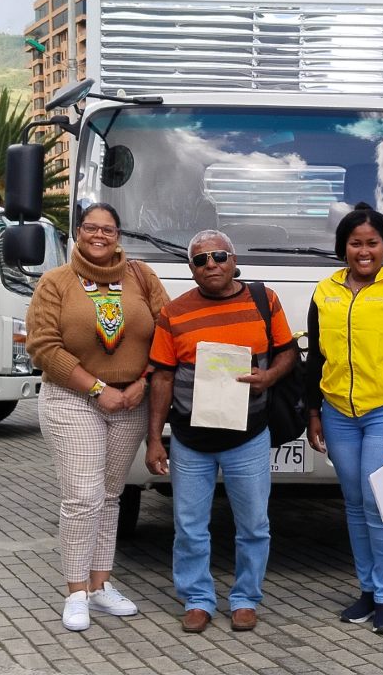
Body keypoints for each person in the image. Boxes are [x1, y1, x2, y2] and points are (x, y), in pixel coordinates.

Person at [26, 203, 169, 632]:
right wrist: (96, 389)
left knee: (109, 498)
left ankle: (100, 585)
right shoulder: (56, 283)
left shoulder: (142, 277)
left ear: (118, 235)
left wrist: (144, 380)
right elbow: (44, 346)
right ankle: (75, 592)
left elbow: (167, 332)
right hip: (73, 399)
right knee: (82, 498)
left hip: (131, 401)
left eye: (108, 229)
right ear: (78, 232)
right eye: (91, 227)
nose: (99, 235)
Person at [145, 230, 297, 634]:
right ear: (191, 269)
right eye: (200, 260)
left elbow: (288, 352)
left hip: (248, 436)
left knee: (253, 526)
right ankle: (197, 599)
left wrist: (270, 377)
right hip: (190, 441)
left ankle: (246, 599)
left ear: (233, 260)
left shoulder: (265, 301)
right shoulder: (173, 313)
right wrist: (154, 439)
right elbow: (161, 377)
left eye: (218, 256)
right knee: (190, 527)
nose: (210, 264)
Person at [305, 204, 383, 635]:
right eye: (355, 243)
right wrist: (313, 412)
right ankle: (365, 590)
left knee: (382, 503)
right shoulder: (325, 292)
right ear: (343, 247)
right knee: (356, 504)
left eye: (372, 243)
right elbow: (315, 358)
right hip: (338, 411)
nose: (364, 251)